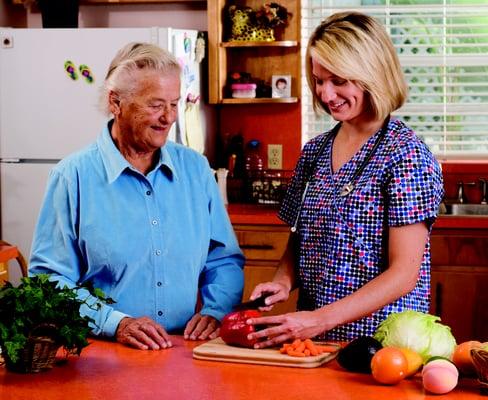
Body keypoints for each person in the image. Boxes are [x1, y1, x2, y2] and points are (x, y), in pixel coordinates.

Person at [246, 11, 444, 347]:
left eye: (339, 80)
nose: (325, 94)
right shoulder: (314, 151)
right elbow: (302, 237)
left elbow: (403, 275)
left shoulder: (406, 155)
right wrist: (283, 280)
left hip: (381, 344)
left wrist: (319, 320)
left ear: (372, 74)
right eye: (319, 80)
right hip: (314, 340)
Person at [29, 42, 244, 350]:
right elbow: (50, 280)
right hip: (102, 354)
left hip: (182, 352)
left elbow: (223, 259)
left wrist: (216, 310)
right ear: (116, 102)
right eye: (156, 105)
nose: (169, 117)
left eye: (174, 104)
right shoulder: (72, 176)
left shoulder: (195, 169)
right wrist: (115, 323)